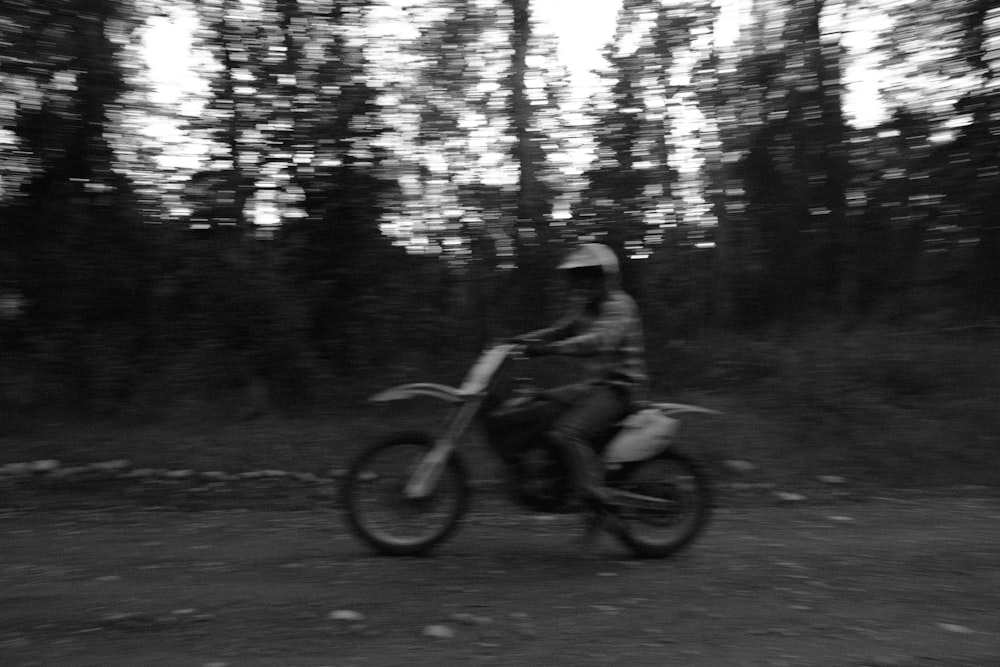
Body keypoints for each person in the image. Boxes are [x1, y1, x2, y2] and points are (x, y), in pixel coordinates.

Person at [515, 242, 648, 507]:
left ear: (605, 276)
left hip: (619, 389)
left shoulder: (619, 305)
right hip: (594, 386)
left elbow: (599, 341)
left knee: (567, 433)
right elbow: (560, 330)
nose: (584, 282)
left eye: (590, 275)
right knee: (539, 405)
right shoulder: (584, 306)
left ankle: (593, 491)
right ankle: (554, 480)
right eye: (579, 276)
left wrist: (549, 349)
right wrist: (517, 341)